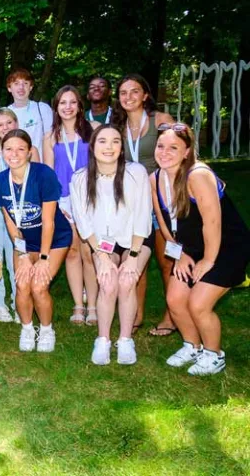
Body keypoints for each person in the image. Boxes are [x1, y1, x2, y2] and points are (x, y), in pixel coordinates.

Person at [153, 123, 250, 375]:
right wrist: (180, 254)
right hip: (191, 249)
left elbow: (212, 223)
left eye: (173, 148)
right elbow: (165, 224)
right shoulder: (155, 178)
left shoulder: (197, 175)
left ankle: (214, 355)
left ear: (187, 151)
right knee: (175, 300)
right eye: (160, 146)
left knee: (198, 304)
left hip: (226, 247)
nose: (164, 152)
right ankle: (192, 346)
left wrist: (208, 260)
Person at [70, 125, 152, 365]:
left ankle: (125, 340)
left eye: (115, 141)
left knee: (127, 281)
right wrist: (103, 258)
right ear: (92, 147)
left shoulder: (136, 173)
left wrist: (133, 257)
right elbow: (83, 223)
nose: (109, 147)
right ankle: (103, 339)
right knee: (108, 282)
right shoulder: (80, 178)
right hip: (102, 243)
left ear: (121, 147)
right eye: (103, 141)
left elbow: (143, 215)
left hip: (136, 238)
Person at [0, 130, 71, 353]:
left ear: (29, 152)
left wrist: (44, 258)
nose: (14, 154)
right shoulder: (0, 181)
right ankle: (27, 329)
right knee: (22, 284)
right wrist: (23, 254)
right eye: (9, 149)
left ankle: (46, 330)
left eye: (20, 149)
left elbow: (49, 222)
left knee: (38, 286)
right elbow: (10, 222)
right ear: (2, 152)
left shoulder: (43, 174)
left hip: (54, 239)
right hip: (24, 242)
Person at [111, 74, 176, 335]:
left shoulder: (160, 120)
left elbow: (181, 150)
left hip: (162, 200)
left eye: (134, 91)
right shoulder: (118, 127)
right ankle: (136, 313)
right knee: (136, 258)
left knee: (166, 260)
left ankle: (172, 315)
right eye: (123, 93)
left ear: (145, 95)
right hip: (133, 203)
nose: (128, 97)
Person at [42, 86, 99, 326]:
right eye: (62, 103)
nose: (68, 107)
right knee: (73, 251)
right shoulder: (50, 137)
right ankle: (78, 304)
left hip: (91, 196)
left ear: (79, 105)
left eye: (72, 102)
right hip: (64, 199)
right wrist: (55, 204)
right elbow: (49, 174)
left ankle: (93, 305)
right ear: (56, 107)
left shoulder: (93, 129)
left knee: (90, 251)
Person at [0, 108, 36, 323]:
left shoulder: (30, 150)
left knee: (19, 256)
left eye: (9, 123)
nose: (5, 128)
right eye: (0, 124)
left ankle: (19, 301)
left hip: (21, 210)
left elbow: (36, 181)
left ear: (16, 123)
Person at [6, 68, 51, 159]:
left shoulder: (42, 109)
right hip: (14, 164)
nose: (21, 87)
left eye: (25, 83)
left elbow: (51, 140)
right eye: (16, 83)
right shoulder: (4, 114)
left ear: (31, 87)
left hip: (40, 164)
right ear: (9, 88)